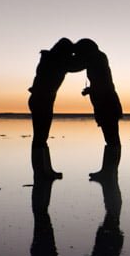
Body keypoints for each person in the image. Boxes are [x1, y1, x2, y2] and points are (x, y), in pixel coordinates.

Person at [27, 38, 84, 179]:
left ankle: (46, 171)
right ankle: (41, 172)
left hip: (40, 99)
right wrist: (88, 56)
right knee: (40, 138)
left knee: (41, 137)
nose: (71, 55)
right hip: (42, 100)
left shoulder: (49, 58)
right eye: (70, 53)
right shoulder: (58, 61)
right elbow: (78, 66)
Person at [75, 38, 124, 181]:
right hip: (107, 102)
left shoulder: (96, 59)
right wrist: (91, 90)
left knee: (112, 139)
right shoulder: (98, 58)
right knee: (112, 139)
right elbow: (102, 81)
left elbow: (102, 83)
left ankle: (108, 172)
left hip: (106, 104)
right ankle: (109, 171)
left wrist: (92, 90)